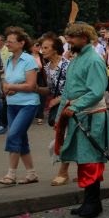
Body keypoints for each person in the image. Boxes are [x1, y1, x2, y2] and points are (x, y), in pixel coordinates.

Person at [55, 23, 109, 218]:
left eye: (72, 37)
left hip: (91, 117)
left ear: (84, 38)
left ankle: (93, 204)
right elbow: (69, 90)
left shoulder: (93, 60)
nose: (68, 41)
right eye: (68, 37)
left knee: (91, 160)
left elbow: (96, 91)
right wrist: (61, 113)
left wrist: (75, 107)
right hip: (78, 116)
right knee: (83, 159)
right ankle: (89, 202)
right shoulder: (77, 58)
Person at [0, 28, 40, 185]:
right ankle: (31, 173)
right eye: (6, 40)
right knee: (21, 138)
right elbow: (5, 80)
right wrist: (5, 88)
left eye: (10, 41)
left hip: (27, 104)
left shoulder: (28, 60)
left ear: (21, 43)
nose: (7, 43)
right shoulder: (9, 59)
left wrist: (12, 87)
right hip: (12, 104)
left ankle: (11, 174)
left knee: (13, 135)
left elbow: (31, 85)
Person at [37, 33, 71, 186]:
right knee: (63, 138)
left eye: (46, 47)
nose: (42, 50)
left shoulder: (66, 65)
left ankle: (63, 172)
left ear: (56, 49)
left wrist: (58, 99)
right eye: (41, 47)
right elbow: (51, 90)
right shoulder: (46, 67)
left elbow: (74, 88)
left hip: (70, 106)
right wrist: (36, 89)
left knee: (66, 138)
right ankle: (70, 170)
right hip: (58, 107)